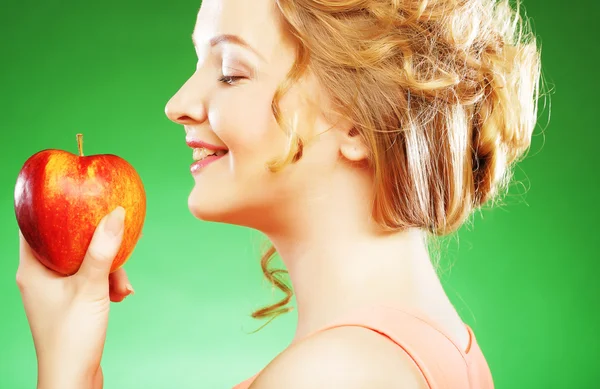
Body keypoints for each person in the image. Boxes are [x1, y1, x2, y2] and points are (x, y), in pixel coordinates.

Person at [16, 0, 541, 388]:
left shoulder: (337, 374)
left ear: (358, 122)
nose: (177, 103)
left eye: (230, 73)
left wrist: (63, 376)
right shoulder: (428, 345)